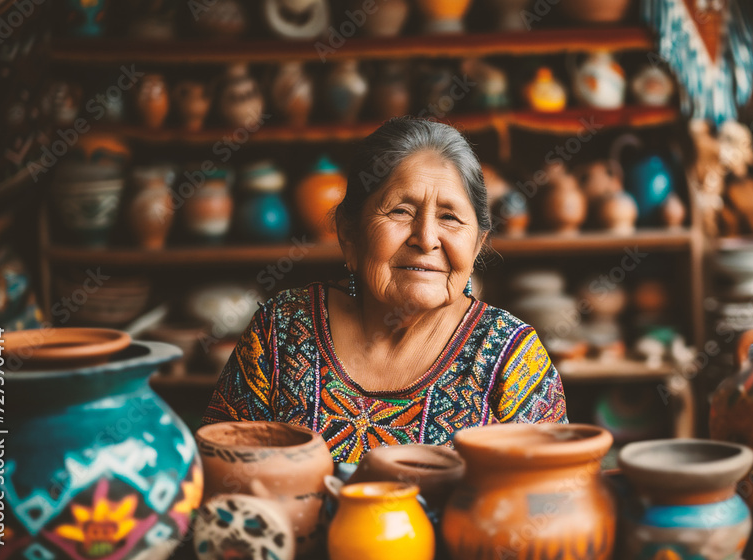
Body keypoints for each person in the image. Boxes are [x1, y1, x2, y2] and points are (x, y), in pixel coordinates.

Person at [203, 117, 568, 464]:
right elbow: (219, 472)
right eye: (400, 211)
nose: (426, 239)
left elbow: (554, 501)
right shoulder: (280, 332)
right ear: (350, 234)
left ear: (476, 246)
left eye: (450, 217)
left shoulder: (511, 357)